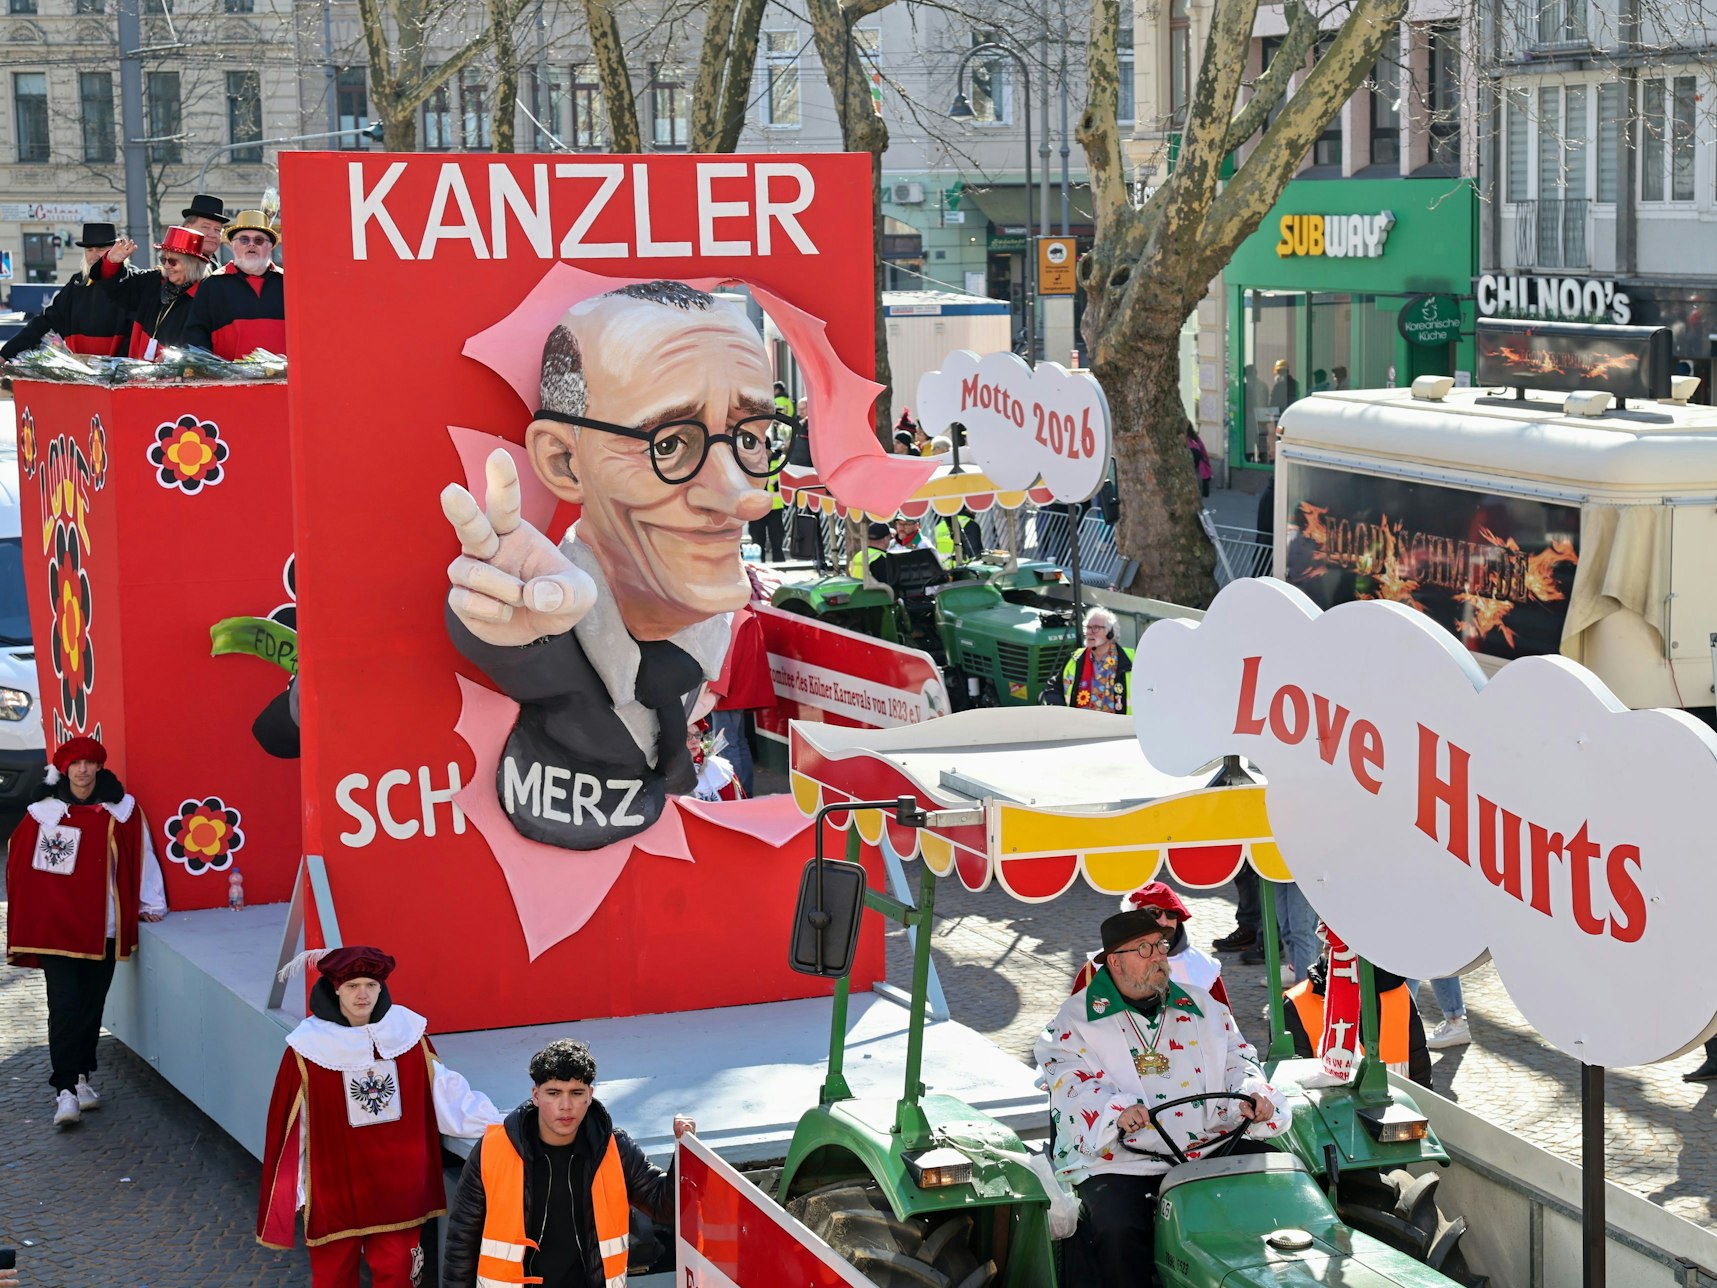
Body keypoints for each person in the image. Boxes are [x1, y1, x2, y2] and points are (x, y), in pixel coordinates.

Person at [440, 281, 796, 851]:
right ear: (564, 462)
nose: (746, 496)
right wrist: (509, 643)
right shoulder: (559, 629)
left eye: (752, 436)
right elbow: (510, 636)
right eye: (670, 443)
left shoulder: (709, 634)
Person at [1036, 907, 1290, 1282]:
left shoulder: (1203, 1006)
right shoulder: (1075, 1019)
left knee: (1281, 1187)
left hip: (1208, 1146)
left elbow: (1239, 1058)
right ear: (1115, 962)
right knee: (1117, 1227)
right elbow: (1068, 1082)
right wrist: (1114, 1110)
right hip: (1123, 1158)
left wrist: (1251, 1091)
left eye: (1160, 945)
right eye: (1145, 949)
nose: (1159, 957)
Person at [257, 945, 501, 1286]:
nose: (362, 994)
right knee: (332, 1280)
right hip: (335, 1190)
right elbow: (292, 1130)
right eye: (353, 985)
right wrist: (297, 1190)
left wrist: (502, 1123)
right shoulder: (308, 1049)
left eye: (370, 985)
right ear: (335, 988)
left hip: (397, 1189)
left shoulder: (407, 1037)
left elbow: (448, 1098)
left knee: (399, 1277)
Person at [5, 735, 167, 1129]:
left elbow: (140, 857)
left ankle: (80, 1078)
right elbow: (22, 870)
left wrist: (149, 903)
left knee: (92, 1005)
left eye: (89, 763)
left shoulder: (121, 812)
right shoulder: (44, 814)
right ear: (64, 769)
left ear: (98, 767)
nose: (82, 770)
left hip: (103, 929)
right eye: (75, 764)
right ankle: (63, 1089)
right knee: (64, 1006)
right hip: (58, 931)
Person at [443, 1038, 690, 1288]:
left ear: (590, 1095)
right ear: (536, 1095)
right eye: (554, 1093)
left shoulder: (616, 1148)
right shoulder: (492, 1149)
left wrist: (684, 1151)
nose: (565, 1105)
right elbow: (461, 1243)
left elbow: (663, 1206)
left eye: (576, 1093)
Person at [1283, 922, 1432, 1089]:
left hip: (1403, 1111)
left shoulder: (1398, 995)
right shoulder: (1296, 1005)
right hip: (1333, 1113)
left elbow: (1421, 1079)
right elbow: (1293, 1090)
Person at [1071, 882, 1229, 1007]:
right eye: (1153, 912)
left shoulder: (1203, 967)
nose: (1164, 921)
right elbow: (1074, 1023)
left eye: (1171, 913)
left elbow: (1223, 1027)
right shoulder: (1098, 967)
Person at [0, 222, 134, 360]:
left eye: (100, 249)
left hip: (120, 372)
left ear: (115, 249)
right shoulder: (77, 283)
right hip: (82, 372)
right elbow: (45, 322)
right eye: (89, 250)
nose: (94, 256)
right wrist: (6, 353)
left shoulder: (133, 280)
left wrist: (117, 365)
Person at [183, 210, 284, 359]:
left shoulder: (288, 283)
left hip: (286, 379)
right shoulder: (212, 285)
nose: (251, 244)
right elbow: (196, 339)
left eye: (259, 240)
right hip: (232, 380)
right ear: (233, 245)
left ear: (270, 247)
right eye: (244, 239)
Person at [97, 228, 213, 358]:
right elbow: (117, 289)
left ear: (192, 264)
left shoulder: (205, 296)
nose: (167, 266)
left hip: (177, 374)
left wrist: (176, 359)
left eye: (173, 262)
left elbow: (202, 346)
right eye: (163, 260)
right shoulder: (152, 281)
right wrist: (112, 263)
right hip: (140, 372)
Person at [1056, 606, 1134, 713]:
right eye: (1088, 627)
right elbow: (1054, 686)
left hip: (1119, 727)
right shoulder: (1075, 658)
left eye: (1096, 627)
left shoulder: (1132, 661)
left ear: (1110, 632)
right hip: (1081, 726)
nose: (1090, 632)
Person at [178, 192, 231, 261]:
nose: (213, 235)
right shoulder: (172, 264)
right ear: (187, 228)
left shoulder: (218, 268)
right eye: (206, 227)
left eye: (217, 230)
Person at [1187, 428, 1212, 499]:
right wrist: (1207, 462)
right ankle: (1204, 492)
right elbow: (1202, 447)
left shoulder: (1182, 436)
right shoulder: (1193, 436)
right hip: (1197, 453)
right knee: (1203, 472)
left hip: (1191, 452)